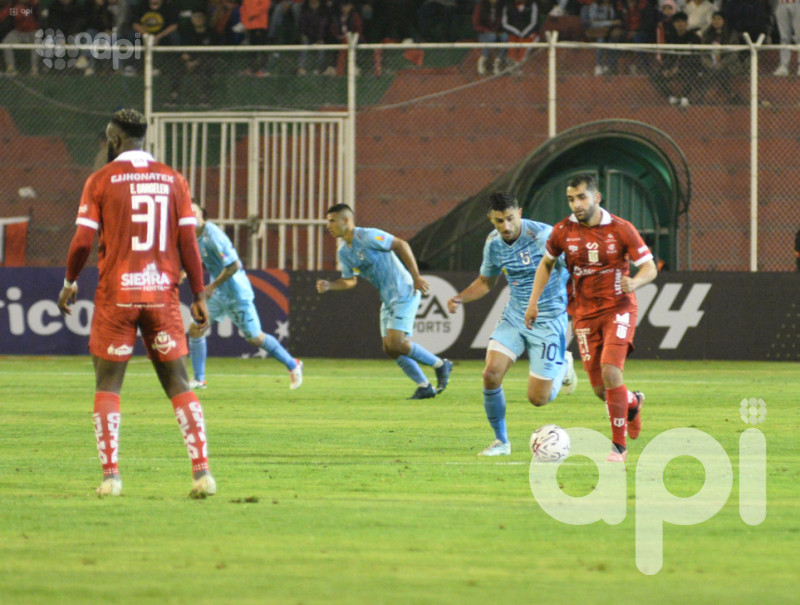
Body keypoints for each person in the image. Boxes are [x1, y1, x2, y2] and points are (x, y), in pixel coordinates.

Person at [56, 109, 216, 497]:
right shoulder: (173, 179)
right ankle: (202, 474)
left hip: (117, 296)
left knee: (108, 385)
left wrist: (69, 282)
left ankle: (111, 478)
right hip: (161, 295)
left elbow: (81, 241)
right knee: (179, 382)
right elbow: (189, 243)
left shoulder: (100, 180)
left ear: (114, 140)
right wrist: (197, 293)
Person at [524, 173, 657, 462]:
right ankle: (633, 402)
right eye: (571, 199)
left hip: (618, 308)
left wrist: (634, 283)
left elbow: (649, 267)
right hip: (583, 314)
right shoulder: (562, 231)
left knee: (611, 371)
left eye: (582, 197)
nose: (576, 204)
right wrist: (533, 302)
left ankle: (618, 448)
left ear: (597, 197)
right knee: (601, 391)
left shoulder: (622, 229)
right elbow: (546, 265)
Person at [446, 192, 577, 457]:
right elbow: (486, 281)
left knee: (538, 399)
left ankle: (563, 364)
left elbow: (576, 269)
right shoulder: (493, 243)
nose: (505, 227)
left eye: (509, 219)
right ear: (490, 219)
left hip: (548, 320)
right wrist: (461, 297)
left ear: (519, 212)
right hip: (515, 316)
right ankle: (501, 442)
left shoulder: (545, 237)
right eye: (498, 221)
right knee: (490, 374)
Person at [316, 203, 453, 399]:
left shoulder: (367, 236)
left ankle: (440, 364)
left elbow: (401, 244)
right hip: (388, 298)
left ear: (346, 220)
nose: (328, 225)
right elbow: (349, 281)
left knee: (396, 342)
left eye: (331, 221)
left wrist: (416, 277)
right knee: (390, 348)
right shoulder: (344, 252)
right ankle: (425, 386)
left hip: (404, 290)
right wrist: (331, 286)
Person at [186, 203, 304, 390]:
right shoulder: (192, 237)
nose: (190, 215)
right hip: (219, 294)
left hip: (236, 293)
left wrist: (211, 287)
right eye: (187, 212)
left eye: (194, 212)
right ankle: (199, 379)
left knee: (255, 338)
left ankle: (293, 364)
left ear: (202, 216)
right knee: (195, 330)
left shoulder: (213, 235)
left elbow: (234, 265)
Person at [650, 10, 703, 106]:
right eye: (677, 22)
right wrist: (666, 69)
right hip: (673, 67)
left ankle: (685, 97)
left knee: (691, 72)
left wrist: (678, 68)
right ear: (673, 24)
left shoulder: (694, 38)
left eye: (682, 22)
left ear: (686, 23)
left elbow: (695, 57)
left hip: (689, 67)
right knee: (655, 75)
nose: (680, 24)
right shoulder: (670, 37)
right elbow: (668, 55)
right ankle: (671, 97)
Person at [473, 0, 509, 75]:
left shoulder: (502, 6)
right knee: (491, 36)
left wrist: (498, 31)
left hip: (497, 32)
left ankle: (498, 62)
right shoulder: (481, 5)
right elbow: (476, 25)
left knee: (505, 36)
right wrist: (486, 30)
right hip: (484, 34)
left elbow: (504, 22)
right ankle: (483, 60)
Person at [771, 0, 800, 76]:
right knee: (784, 37)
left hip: (797, 3)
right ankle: (784, 65)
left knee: (799, 37)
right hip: (781, 3)